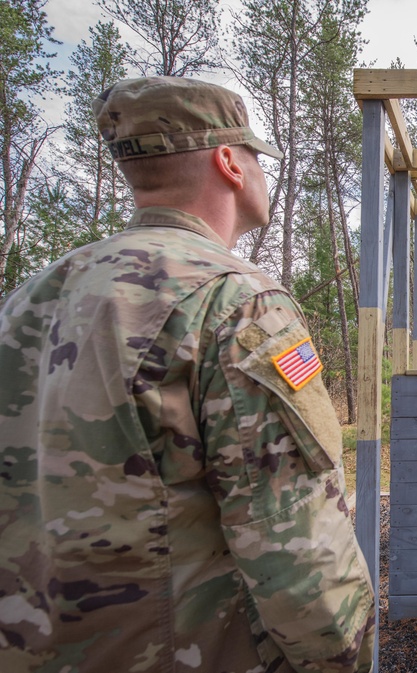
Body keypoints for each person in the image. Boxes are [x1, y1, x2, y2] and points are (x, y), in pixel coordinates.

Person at [0, 76, 375, 672]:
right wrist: (345, 656)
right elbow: (294, 545)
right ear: (229, 162)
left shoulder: (28, 300)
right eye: (255, 157)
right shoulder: (236, 302)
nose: (261, 172)